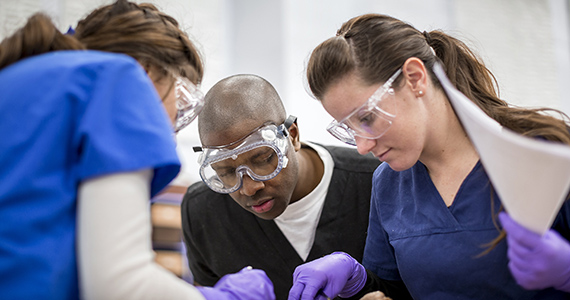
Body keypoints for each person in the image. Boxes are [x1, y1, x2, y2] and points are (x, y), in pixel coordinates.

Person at [0, 1, 274, 299]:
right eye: (181, 104)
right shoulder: (119, 79)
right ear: (145, 69)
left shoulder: (20, 79)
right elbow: (119, 285)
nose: (172, 126)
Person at [288, 13, 570, 300]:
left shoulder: (545, 153)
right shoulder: (388, 183)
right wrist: (358, 282)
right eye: (347, 129)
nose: (361, 147)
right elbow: (394, 291)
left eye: (368, 117)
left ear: (414, 77)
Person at [180, 74, 381, 299]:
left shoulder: (376, 182)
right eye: (226, 172)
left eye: (263, 159)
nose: (249, 188)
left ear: (292, 135)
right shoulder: (202, 212)